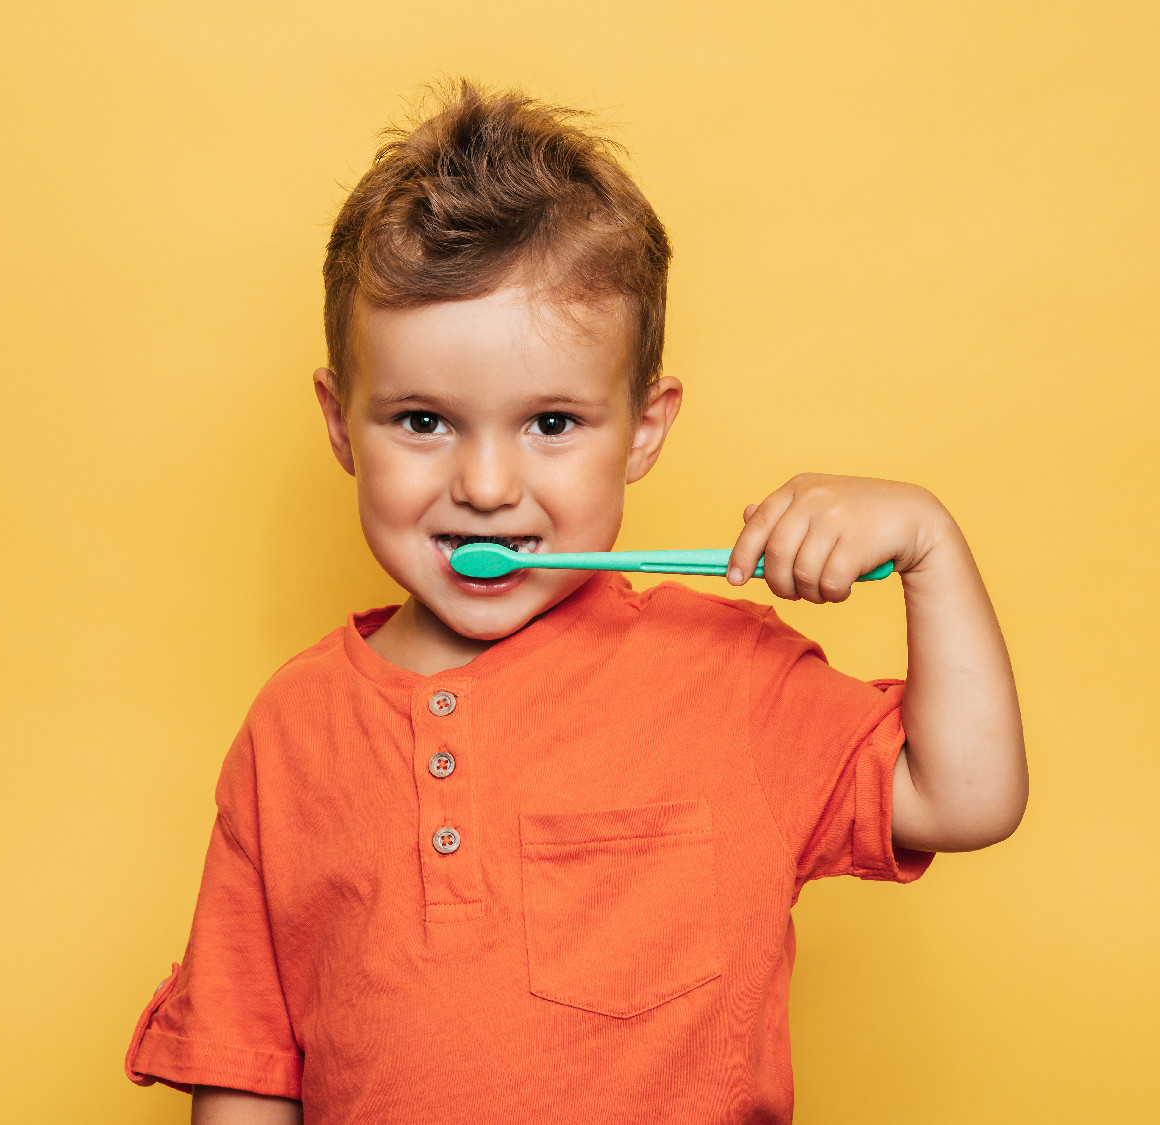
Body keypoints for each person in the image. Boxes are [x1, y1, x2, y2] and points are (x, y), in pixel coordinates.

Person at [123, 80, 1026, 1125]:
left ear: (641, 430)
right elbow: (243, 1074)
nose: (488, 486)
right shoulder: (288, 733)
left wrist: (931, 549)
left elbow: (963, 797)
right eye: (422, 421)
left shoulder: (726, 675)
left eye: (550, 424)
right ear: (340, 424)